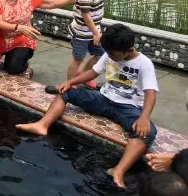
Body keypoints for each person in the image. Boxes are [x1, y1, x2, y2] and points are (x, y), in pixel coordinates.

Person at [16, 24, 159, 189]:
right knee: (67, 93)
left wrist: (144, 117)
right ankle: (42, 125)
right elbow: (92, 73)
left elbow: (150, 93)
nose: (109, 56)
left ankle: (119, 170)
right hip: (104, 98)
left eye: (112, 54)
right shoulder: (110, 54)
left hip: (128, 107)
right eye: (108, 53)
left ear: (128, 50)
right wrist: (69, 82)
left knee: (147, 133)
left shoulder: (144, 64)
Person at [67, 0, 111, 88]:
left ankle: (84, 76)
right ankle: (69, 83)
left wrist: (96, 32)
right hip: (82, 33)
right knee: (78, 58)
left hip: (93, 31)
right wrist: (96, 33)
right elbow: (86, 16)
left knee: (101, 55)